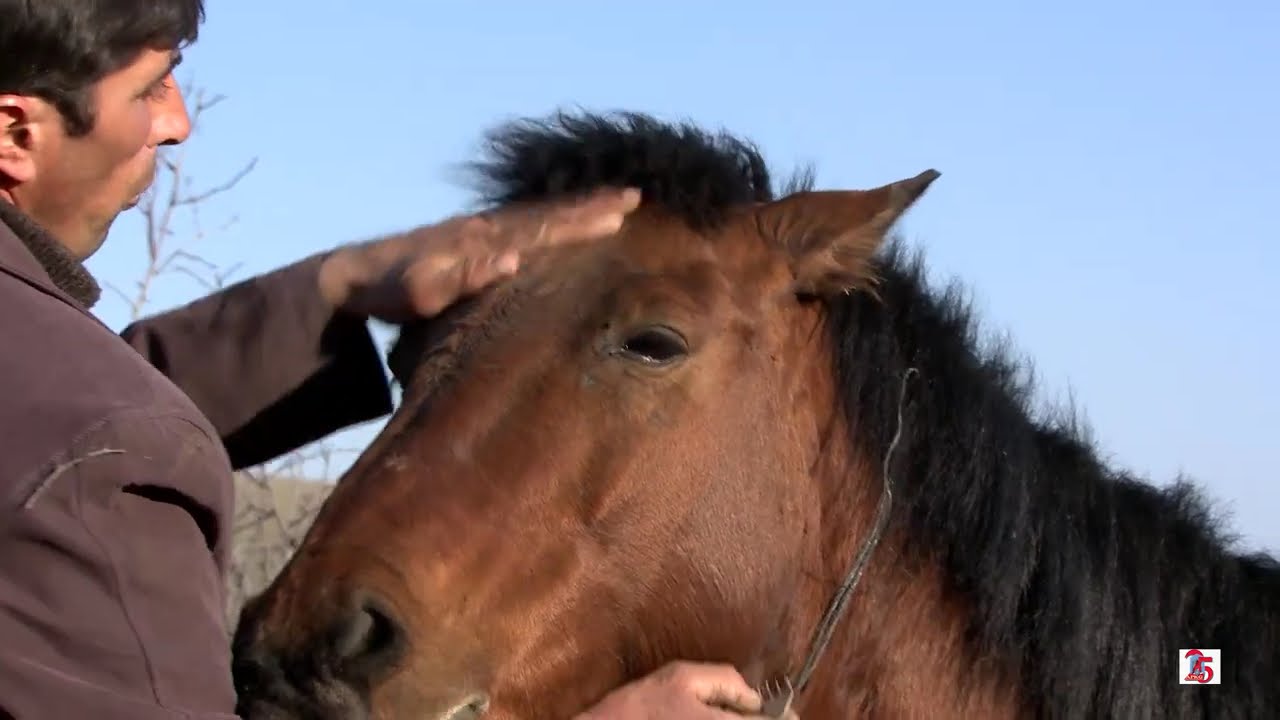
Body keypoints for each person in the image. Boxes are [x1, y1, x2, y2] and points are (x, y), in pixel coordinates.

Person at [0, 2, 794, 719]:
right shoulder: (103, 450)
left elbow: (42, 421)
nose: (176, 122)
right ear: (16, 133)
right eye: (149, 89)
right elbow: (81, 446)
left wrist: (336, 285)